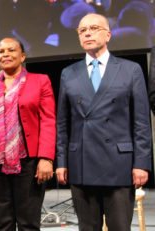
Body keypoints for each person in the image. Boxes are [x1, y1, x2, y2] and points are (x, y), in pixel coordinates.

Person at [56, 13, 152, 231]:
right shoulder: (68, 74)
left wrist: (141, 163)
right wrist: (61, 161)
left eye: (94, 28)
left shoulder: (130, 69)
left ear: (108, 34)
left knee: (120, 227)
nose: (88, 33)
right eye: (82, 30)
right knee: (87, 227)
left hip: (119, 163)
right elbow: (63, 123)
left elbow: (141, 122)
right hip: (81, 162)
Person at [0, 37, 56, 231]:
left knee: (28, 223)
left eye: (11, 50)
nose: (6, 55)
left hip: (28, 161)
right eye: (1, 51)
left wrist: (46, 158)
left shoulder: (40, 80)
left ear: (22, 56)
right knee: (3, 222)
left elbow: (48, 120)